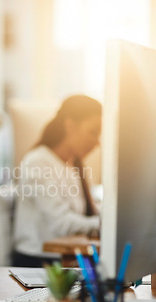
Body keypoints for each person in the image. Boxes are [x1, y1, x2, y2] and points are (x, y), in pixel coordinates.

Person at [12, 95, 102, 267]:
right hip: (39, 262)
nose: (97, 142)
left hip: (68, 257)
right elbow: (61, 224)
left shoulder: (74, 165)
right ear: (70, 126)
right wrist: (104, 224)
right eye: (93, 132)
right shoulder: (37, 162)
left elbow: (89, 211)